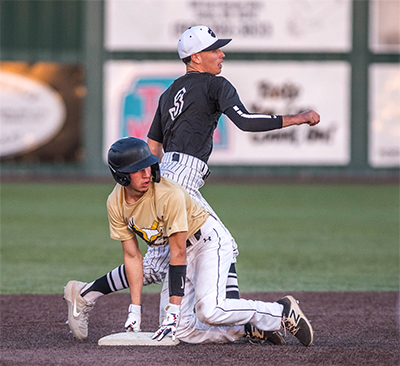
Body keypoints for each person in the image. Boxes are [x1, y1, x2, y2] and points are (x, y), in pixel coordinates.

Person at [64, 25, 320, 342]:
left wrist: (154, 184)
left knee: (157, 266)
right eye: (215, 50)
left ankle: (85, 294)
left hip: (163, 169)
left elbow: (153, 146)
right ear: (196, 57)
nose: (221, 54)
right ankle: (256, 318)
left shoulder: (170, 92)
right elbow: (245, 121)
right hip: (182, 175)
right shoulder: (215, 85)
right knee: (216, 243)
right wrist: (297, 118)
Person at [109, 137, 314, 345]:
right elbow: (132, 256)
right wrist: (135, 310)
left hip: (207, 242)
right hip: (182, 251)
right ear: (122, 177)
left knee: (209, 310)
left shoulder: (168, 194)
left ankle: (280, 312)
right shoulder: (115, 203)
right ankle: (246, 329)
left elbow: (178, 253)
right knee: (180, 331)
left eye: (149, 166)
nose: (147, 174)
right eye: (138, 170)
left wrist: (173, 310)